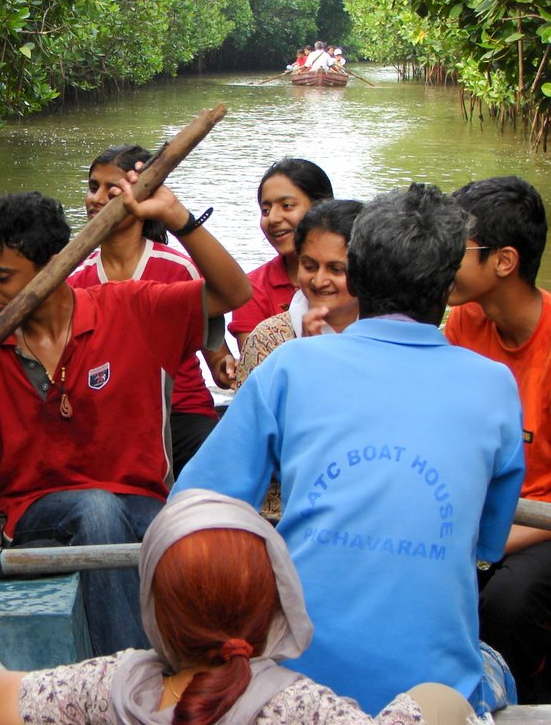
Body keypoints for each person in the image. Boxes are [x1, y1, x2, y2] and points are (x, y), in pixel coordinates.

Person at [174, 183, 526, 716]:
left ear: (355, 275)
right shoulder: (495, 384)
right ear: (448, 282)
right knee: (495, 665)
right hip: (430, 691)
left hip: (294, 685)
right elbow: (488, 544)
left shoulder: (292, 365)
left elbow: (192, 507)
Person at [0, 184, 251, 656]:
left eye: (1, 276)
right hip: (36, 514)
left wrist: (179, 216)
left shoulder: (134, 309)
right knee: (96, 510)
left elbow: (234, 292)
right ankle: (126, 669)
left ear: (54, 266)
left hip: (140, 503)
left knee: (195, 534)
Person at [0, 489, 478, 725]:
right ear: (273, 608)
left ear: (155, 613)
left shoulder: (112, 688)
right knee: (440, 696)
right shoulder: (304, 709)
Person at [445, 175, 551, 704]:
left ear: (505, 261)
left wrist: (490, 541)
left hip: (539, 525)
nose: (440, 259)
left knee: (507, 600)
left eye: (456, 248)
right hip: (483, 515)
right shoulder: (464, 322)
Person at [69, 145, 221, 476]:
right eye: (93, 187)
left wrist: (225, 366)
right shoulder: (76, 280)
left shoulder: (178, 268)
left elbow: (215, 353)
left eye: (112, 191)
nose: (96, 199)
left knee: (215, 461)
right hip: (113, 419)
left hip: (181, 413)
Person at [217, 158, 333, 388]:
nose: (273, 219)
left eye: (287, 206)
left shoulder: (363, 273)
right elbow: (259, 371)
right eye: (266, 210)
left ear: (322, 207)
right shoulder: (252, 289)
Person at [235, 199, 362, 389]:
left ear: (366, 268)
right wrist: (305, 360)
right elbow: (252, 407)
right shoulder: (268, 339)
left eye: (336, 269)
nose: (319, 281)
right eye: (309, 266)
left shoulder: (388, 333)